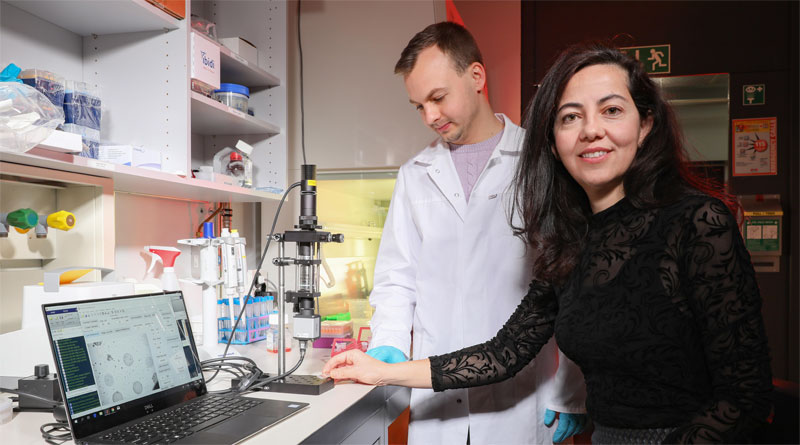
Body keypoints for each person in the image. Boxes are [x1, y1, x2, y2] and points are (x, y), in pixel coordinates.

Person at [325, 41, 774, 444]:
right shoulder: (572, 241)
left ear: (645, 125)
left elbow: (745, 399)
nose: (590, 130)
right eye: (570, 117)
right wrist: (382, 362)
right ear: (556, 139)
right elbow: (502, 351)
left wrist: (569, 394)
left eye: (612, 111)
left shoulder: (696, 222)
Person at [365, 22, 587, 444]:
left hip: (523, 398)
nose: (430, 116)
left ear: (477, 77)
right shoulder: (414, 175)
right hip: (436, 402)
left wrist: (571, 387)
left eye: (438, 97)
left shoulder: (541, 161)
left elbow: (571, 285)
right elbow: (396, 278)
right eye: (418, 106)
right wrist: (388, 344)